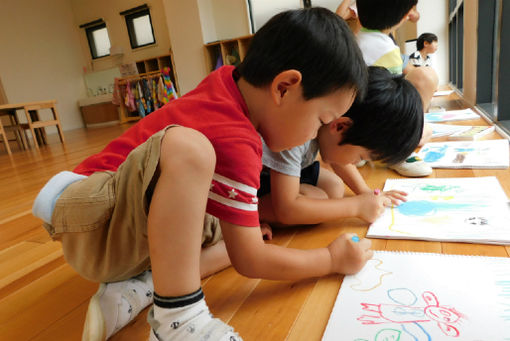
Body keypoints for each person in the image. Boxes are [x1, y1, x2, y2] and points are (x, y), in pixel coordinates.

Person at [32, 8, 371, 341]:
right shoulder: (238, 136)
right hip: (92, 218)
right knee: (192, 151)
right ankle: (177, 318)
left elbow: (245, 246)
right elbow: (250, 260)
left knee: (245, 227)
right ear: (284, 88)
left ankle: (142, 287)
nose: (316, 134)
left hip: (122, 229)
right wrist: (329, 259)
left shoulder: (227, 85)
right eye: (322, 121)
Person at [258, 66, 423, 227]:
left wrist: (365, 193)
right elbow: (287, 209)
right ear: (340, 127)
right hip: (251, 182)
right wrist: (356, 207)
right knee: (317, 197)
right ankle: (248, 214)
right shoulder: (296, 133)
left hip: (280, 171)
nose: (355, 161)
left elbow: (339, 157)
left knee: (334, 186)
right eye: (360, 157)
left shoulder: (330, 123)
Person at [355, 0, 437, 177]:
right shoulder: (387, 49)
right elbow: (393, 99)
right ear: (404, 16)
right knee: (427, 130)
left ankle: (360, 150)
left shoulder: (354, 40)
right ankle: (398, 154)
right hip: (379, 127)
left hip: (354, 126)